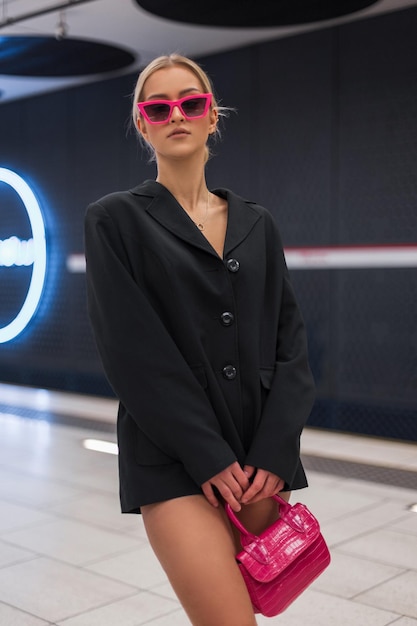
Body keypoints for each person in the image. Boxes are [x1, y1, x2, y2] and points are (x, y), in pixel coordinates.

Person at [84, 53, 315, 626]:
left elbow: (292, 343)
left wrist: (276, 452)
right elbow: (132, 354)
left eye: (191, 102)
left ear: (213, 116)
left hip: (260, 456)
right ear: (143, 124)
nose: (176, 115)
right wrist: (208, 455)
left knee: (251, 612)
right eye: (159, 107)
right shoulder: (115, 221)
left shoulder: (257, 223)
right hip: (172, 454)